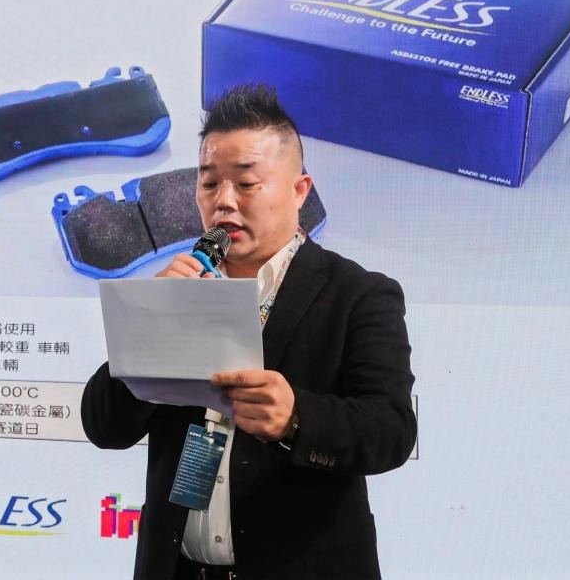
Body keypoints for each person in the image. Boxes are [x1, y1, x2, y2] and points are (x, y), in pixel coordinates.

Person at [82, 84, 416, 580]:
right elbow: (104, 427)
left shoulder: (359, 294)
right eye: (209, 183)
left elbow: (391, 430)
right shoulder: (180, 288)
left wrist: (297, 417)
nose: (223, 202)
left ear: (300, 190)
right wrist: (154, 321)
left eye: (246, 183)